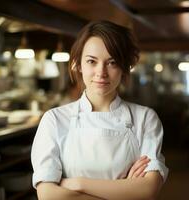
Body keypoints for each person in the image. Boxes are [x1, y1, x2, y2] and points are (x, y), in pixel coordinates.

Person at [31, 20, 168, 200]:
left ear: (124, 68)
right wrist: (125, 190)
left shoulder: (145, 118)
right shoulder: (54, 120)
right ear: (78, 65)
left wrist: (78, 184)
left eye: (112, 62)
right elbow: (48, 195)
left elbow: (148, 190)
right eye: (91, 61)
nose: (101, 72)